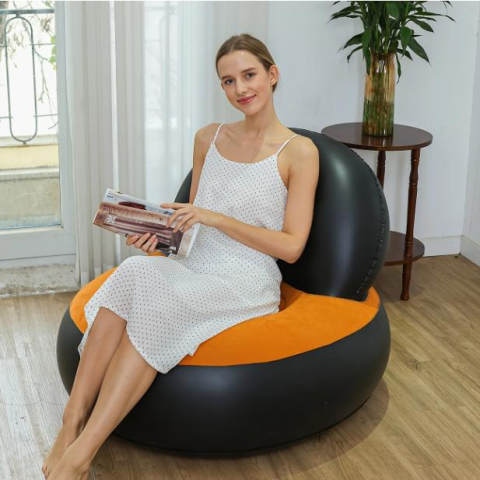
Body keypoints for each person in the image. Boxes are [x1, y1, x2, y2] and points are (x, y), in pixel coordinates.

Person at [42, 33, 319, 479]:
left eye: (249, 75)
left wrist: (215, 218)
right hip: (194, 262)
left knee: (156, 301)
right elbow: (189, 226)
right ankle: (71, 421)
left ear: (272, 75)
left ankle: (82, 454)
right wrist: (158, 239)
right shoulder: (209, 138)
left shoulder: (299, 152)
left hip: (247, 279)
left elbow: (292, 246)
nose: (240, 89)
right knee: (134, 270)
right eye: (228, 81)